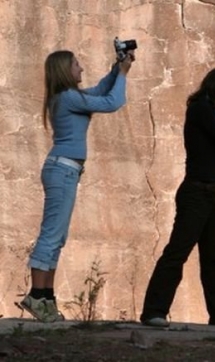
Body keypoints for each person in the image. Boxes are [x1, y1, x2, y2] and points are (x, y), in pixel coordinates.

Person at [20, 49, 134, 322]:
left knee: (57, 237)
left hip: (65, 170)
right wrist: (124, 74)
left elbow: (99, 90)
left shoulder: (68, 97)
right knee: (51, 236)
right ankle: (36, 296)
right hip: (62, 170)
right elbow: (111, 102)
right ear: (64, 70)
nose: (81, 69)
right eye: (76, 65)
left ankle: (45, 297)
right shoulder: (69, 98)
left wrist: (117, 69)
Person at [140, 68, 215, 328]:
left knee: (214, 258)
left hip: (213, 192)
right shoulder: (200, 110)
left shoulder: (212, 112)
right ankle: (154, 311)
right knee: (177, 253)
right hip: (196, 192)